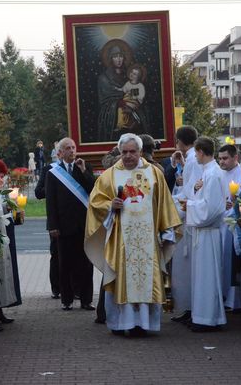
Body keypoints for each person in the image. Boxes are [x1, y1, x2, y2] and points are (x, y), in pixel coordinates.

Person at [85, 133, 181, 336]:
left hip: (148, 240)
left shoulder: (154, 173)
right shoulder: (109, 175)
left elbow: (164, 204)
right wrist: (110, 205)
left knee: (145, 279)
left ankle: (144, 324)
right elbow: (95, 202)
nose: (128, 156)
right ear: (119, 152)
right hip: (122, 241)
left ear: (140, 152)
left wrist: (167, 232)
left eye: (132, 152)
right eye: (124, 152)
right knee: (122, 280)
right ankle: (122, 324)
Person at [45, 137, 95, 310]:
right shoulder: (53, 172)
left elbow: (93, 189)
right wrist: (52, 226)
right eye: (68, 148)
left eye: (73, 147)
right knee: (65, 264)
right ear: (61, 152)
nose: (72, 151)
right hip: (63, 226)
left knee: (86, 264)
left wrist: (83, 171)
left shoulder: (84, 167)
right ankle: (66, 300)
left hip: (83, 224)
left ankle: (86, 300)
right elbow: (50, 201)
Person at [184, 137, 227, 332]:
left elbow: (212, 208)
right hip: (203, 233)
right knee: (202, 278)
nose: (195, 156)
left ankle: (208, 319)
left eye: (196, 153)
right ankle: (201, 316)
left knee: (208, 278)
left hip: (209, 233)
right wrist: (193, 193)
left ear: (201, 152)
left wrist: (189, 205)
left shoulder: (213, 174)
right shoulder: (208, 172)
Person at [170, 125, 200, 325]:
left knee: (184, 267)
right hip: (189, 214)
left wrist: (169, 204)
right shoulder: (191, 159)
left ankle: (187, 307)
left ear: (179, 141)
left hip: (187, 219)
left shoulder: (192, 160)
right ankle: (187, 307)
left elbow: (189, 192)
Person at [34, 147, 63, 300]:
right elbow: (38, 193)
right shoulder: (49, 169)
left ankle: (76, 289)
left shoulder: (77, 167)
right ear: (58, 154)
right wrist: (53, 189)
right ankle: (56, 289)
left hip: (75, 219)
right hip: (56, 219)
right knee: (56, 255)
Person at [218, 144, 241, 311]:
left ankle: (235, 301)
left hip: (233, 225)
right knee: (222, 262)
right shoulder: (217, 174)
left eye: (225, 158)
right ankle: (223, 295)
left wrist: (236, 204)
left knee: (232, 262)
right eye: (219, 158)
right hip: (219, 222)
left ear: (235, 158)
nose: (221, 162)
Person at [115, 65, 146, 133]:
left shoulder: (140, 86)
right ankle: (121, 125)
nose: (132, 74)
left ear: (138, 77)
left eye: (135, 74)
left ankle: (131, 122)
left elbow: (141, 96)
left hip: (134, 102)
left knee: (126, 108)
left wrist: (134, 95)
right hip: (126, 100)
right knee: (120, 109)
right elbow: (123, 89)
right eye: (131, 72)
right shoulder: (128, 83)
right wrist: (118, 89)